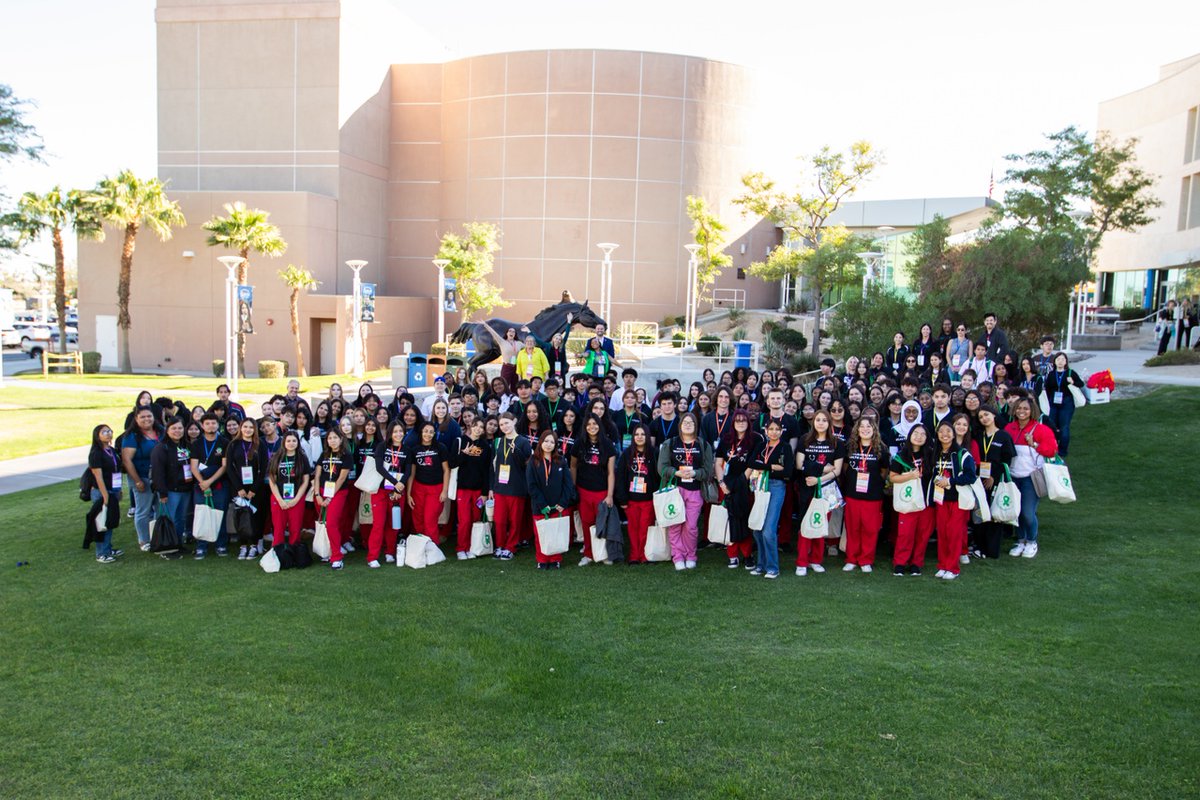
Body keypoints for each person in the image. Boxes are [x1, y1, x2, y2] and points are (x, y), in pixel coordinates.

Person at [656, 412, 714, 570]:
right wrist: (676, 472)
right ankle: (678, 556)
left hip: (694, 490)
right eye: (685, 422)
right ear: (680, 425)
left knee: (691, 526)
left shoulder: (703, 445)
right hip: (675, 490)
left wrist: (696, 473)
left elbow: (708, 471)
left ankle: (691, 555)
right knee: (675, 525)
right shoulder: (671, 443)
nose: (688, 425)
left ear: (696, 426)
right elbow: (662, 468)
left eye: (691, 422)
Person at [1004, 397, 1058, 559]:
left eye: (1026, 408)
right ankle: (1021, 541)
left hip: (1030, 477)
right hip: (1012, 476)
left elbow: (1051, 451)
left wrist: (1033, 444)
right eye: (1019, 408)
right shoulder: (1009, 428)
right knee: (1017, 512)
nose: (1022, 411)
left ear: (1032, 410)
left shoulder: (1041, 429)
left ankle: (1032, 541)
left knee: (1028, 512)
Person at [746, 418, 793, 579]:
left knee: (768, 530)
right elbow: (751, 461)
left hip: (776, 487)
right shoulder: (761, 446)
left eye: (777, 429)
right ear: (766, 431)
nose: (773, 432)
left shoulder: (785, 448)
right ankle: (761, 565)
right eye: (770, 429)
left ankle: (773, 567)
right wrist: (771, 467)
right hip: (760, 485)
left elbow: (787, 472)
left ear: (781, 431)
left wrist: (763, 467)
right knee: (757, 529)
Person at [842, 417, 890, 572]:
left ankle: (866, 560)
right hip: (852, 493)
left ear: (874, 429)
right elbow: (845, 468)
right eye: (861, 426)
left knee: (870, 529)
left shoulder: (881, 449)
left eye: (868, 426)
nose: (865, 429)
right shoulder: (850, 446)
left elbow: (883, 472)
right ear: (857, 429)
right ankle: (851, 559)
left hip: (873, 495)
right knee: (853, 527)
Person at [931, 420, 977, 580]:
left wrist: (950, 481)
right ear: (937, 434)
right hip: (940, 499)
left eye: (948, 431)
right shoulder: (935, 453)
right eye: (941, 431)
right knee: (942, 533)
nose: (945, 434)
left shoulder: (962, 454)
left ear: (954, 433)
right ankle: (943, 565)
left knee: (954, 533)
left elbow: (971, 476)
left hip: (957, 500)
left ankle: (953, 568)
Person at [571, 414, 616, 566]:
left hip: (602, 492)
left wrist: (609, 495)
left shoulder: (608, 444)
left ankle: (604, 554)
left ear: (599, 425)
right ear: (585, 426)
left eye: (595, 424)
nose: (592, 427)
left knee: (603, 523)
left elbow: (611, 473)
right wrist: (573, 488)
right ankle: (588, 553)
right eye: (589, 424)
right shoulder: (579, 444)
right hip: (583, 490)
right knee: (586, 523)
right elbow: (573, 466)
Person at [527, 430, 576, 569]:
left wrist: (563, 502)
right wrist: (542, 504)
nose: (548, 444)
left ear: (556, 445)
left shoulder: (561, 461)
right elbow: (531, 486)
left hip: (558, 506)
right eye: (546, 441)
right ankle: (542, 559)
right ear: (541, 442)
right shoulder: (533, 461)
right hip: (540, 506)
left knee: (556, 533)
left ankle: (556, 558)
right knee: (541, 534)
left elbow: (568, 484)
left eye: (552, 442)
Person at [973, 404, 1016, 560]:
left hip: (995, 481)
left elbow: (1007, 461)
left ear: (994, 415)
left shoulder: (1003, 436)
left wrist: (993, 477)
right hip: (979, 480)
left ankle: (992, 549)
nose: (984, 418)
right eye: (981, 417)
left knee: (994, 514)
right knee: (979, 513)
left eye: (986, 415)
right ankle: (979, 547)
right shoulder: (978, 436)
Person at [889, 422, 933, 576]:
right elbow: (893, 478)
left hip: (926, 502)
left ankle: (916, 563)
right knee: (905, 534)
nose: (919, 437)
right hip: (908, 501)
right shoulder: (902, 455)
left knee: (922, 535)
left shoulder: (931, 454)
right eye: (916, 433)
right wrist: (910, 475)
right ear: (909, 436)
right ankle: (900, 562)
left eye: (923, 434)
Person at [614, 422, 659, 564]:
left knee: (646, 528)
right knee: (633, 529)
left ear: (647, 436)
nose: (640, 437)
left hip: (648, 499)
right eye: (637, 434)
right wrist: (622, 499)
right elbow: (620, 477)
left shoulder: (654, 453)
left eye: (643, 434)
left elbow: (658, 476)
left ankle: (645, 554)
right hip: (631, 499)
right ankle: (634, 555)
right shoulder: (626, 454)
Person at [489, 413, 533, 560]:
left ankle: (511, 547)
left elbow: (526, 465)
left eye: (507, 423)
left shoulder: (523, 442)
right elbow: (493, 466)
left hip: (517, 487)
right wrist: (491, 487)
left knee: (515, 520)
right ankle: (500, 545)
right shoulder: (498, 442)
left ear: (514, 421)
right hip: (500, 487)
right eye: (501, 425)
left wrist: (517, 452)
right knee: (500, 520)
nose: (504, 427)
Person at [405, 421, 451, 556]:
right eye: (425, 431)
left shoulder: (440, 447)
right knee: (418, 519)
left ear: (434, 433)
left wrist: (445, 490)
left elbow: (446, 470)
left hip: (436, 488)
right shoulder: (415, 449)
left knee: (430, 519)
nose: (428, 434)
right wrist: (408, 494)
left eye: (431, 432)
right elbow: (411, 473)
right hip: (418, 488)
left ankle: (433, 549)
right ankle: (420, 547)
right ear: (421, 432)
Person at [120, 406, 162, 552]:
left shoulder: (160, 431)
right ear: (136, 419)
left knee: (160, 508)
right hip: (142, 477)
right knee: (143, 510)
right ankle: (144, 540)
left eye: (149, 416)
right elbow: (126, 460)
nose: (146, 419)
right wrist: (137, 480)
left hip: (159, 477)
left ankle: (158, 536)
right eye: (142, 417)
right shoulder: (131, 436)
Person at [189, 413, 230, 559]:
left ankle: (221, 544)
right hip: (201, 485)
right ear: (202, 425)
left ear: (218, 425)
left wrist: (210, 482)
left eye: (214, 423)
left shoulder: (224, 442)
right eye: (207, 423)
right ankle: (201, 546)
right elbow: (193, 467)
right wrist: (203, 483)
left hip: (219, 484)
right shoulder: (196, 444)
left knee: (220, 513)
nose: (211, 426)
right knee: (201, 513)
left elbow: (224, 466)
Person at [226, 417, 267, 560]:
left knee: (255, 517)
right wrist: (238, 488)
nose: (248, 430)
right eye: (245, 427)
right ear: (240, 428)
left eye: (251, 427)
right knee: (241, 517)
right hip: (239, 488)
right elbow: (230, 468)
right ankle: (243, 546)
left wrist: (253, 490)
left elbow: (263, 469)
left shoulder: (260, 444)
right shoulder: (233, 445)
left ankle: (254, 546)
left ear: (255, 429)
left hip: (255, 489)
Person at [453, 418, 491, 560]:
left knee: (475, 519)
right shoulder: (460, 441)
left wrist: (484, 493)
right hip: (463, 488)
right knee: (464, 520)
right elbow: (452, 463)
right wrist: (464, 453)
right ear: (471, 426)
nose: (479, 429)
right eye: (476, 426)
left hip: (478, 490)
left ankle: (473, 547)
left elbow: (487, 471)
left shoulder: (485, 446)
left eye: (482, 427)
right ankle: (461, 548)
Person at [314, 428, 352, 570]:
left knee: (331, 523)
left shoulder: (346, 455)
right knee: (323, 522)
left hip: (337, 492)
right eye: (330, 438)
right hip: (321, 492)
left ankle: (337, 557)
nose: (332, 440)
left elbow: (342, 478)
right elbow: (317, 476)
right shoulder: (324, 454)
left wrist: (329, 497)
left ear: (341, 439)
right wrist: (317, 495)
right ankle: (327, 551)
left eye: (335, 437)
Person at [86, 424, 124, 563]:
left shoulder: (111, 450)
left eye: (109, 431)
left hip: (113, 489)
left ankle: (108, 548)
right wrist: (105, 496)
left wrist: (118, 490)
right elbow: (98, 477)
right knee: (102, 523)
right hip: (102, 491)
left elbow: (116, 471)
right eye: (104, 432)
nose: (108, 434)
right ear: (97, 435)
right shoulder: (96, 453)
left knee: (110, 521)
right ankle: (101, 553)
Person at [266, 430, 311, 548]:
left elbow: (305, 481)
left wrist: (296, 499)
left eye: (294, 441)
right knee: (278, 528)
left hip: (297, 498)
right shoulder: (276, 457)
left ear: (298, 442)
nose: (291, 443)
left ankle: (294, 552)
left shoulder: (302, 458)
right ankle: (277, 552)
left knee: (295, 528)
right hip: (278, 498)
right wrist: (280, 499)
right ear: (284, 442)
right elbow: (272, 481)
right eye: (288, 441)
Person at [1041, 352, 1085, 458]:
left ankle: (1062, 451)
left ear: (1066, 362)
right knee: (1051, 425)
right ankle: (1052, 447)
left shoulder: (1070, 373)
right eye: (1058, 359)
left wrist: (1073, 382)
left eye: (1062, 359)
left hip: (1066, 402)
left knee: (1064, 426)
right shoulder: (1051, 374)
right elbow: (1047, 388)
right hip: (1054, 402)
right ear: (1055, 362)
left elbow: (1081, 384)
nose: (1060, 361)